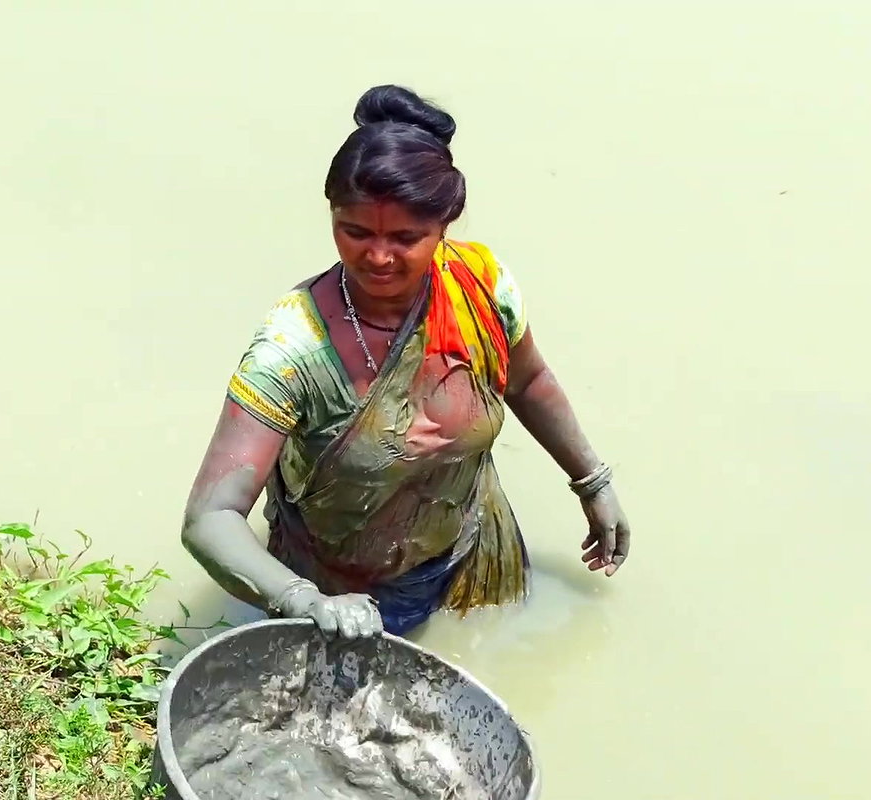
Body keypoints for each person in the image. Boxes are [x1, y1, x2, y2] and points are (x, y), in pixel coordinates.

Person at [181, 85, 631, 639]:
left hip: (474, 555)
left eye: (405, 237)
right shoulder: (293, 349)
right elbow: (210, 518)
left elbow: (528, 379)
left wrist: (592, 481)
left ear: (444, 227)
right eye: (355, 231)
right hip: (336, 595)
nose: (377, 256)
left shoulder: (481, 287)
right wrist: (305, 601)